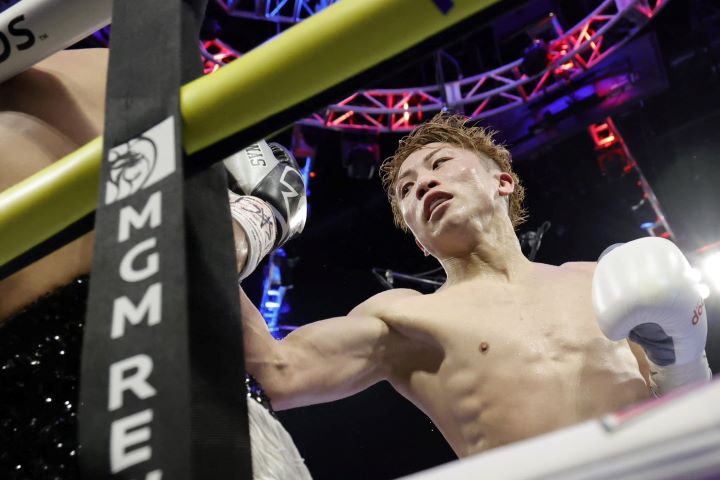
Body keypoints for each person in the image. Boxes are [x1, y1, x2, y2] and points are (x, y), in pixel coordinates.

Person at [232, 111, 712, 458]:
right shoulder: (406, 317)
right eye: (406, 189)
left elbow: (682, 404)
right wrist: (238, 229)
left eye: (439, 163)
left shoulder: (599, 281)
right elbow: (276, 372)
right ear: (419, 240)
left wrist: (686, 361)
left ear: (503, 182)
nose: (422, 184)